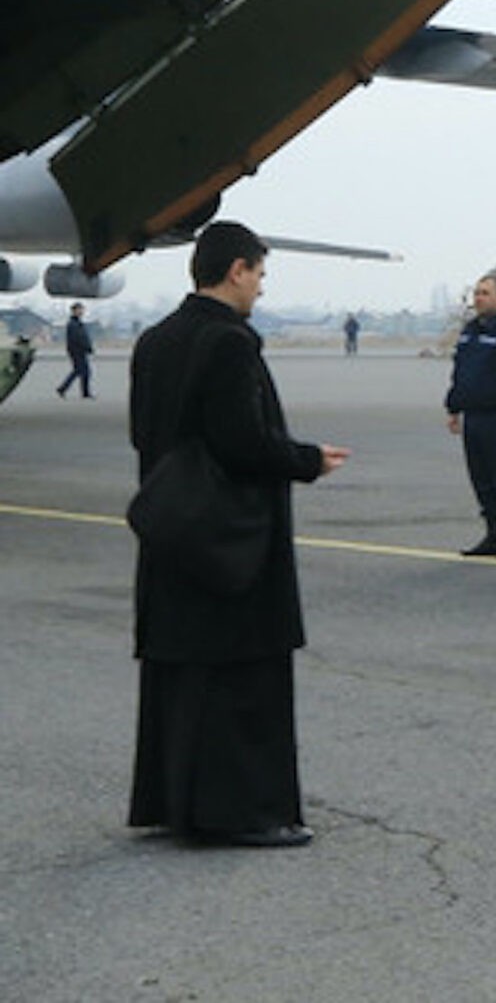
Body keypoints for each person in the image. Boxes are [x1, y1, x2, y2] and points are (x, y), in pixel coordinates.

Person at [127, 221, 349, 848]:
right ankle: (241, 813)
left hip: (171, 522)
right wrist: (308, 459)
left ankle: (174, 803)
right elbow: (242, 443)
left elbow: (144, 436)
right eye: (258, 275)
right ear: (236, 271)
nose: (258, 289)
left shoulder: (155, 340)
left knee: (181, 671)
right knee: (240, 673)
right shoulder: (228, 343)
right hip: (227, 536)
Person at [445, 275, 496, 558]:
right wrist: (453, 407)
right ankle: (493, 534)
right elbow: (461, 372)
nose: (478, 298)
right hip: (473, 416)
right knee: (481, 478)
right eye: (477, 293)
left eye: (485, 293)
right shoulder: (470, 331)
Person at [58, 301, 94, 399]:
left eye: (82, 310)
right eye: (79, 310)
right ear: (74, 311)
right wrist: (86, 347)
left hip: (79, 351)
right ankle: (63, 389)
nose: (81, 312)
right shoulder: (73, 324)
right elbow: (78, 338)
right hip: (77, 351)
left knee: (81, 371)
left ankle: (82, 392)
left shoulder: (78, 323)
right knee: (82, 371)